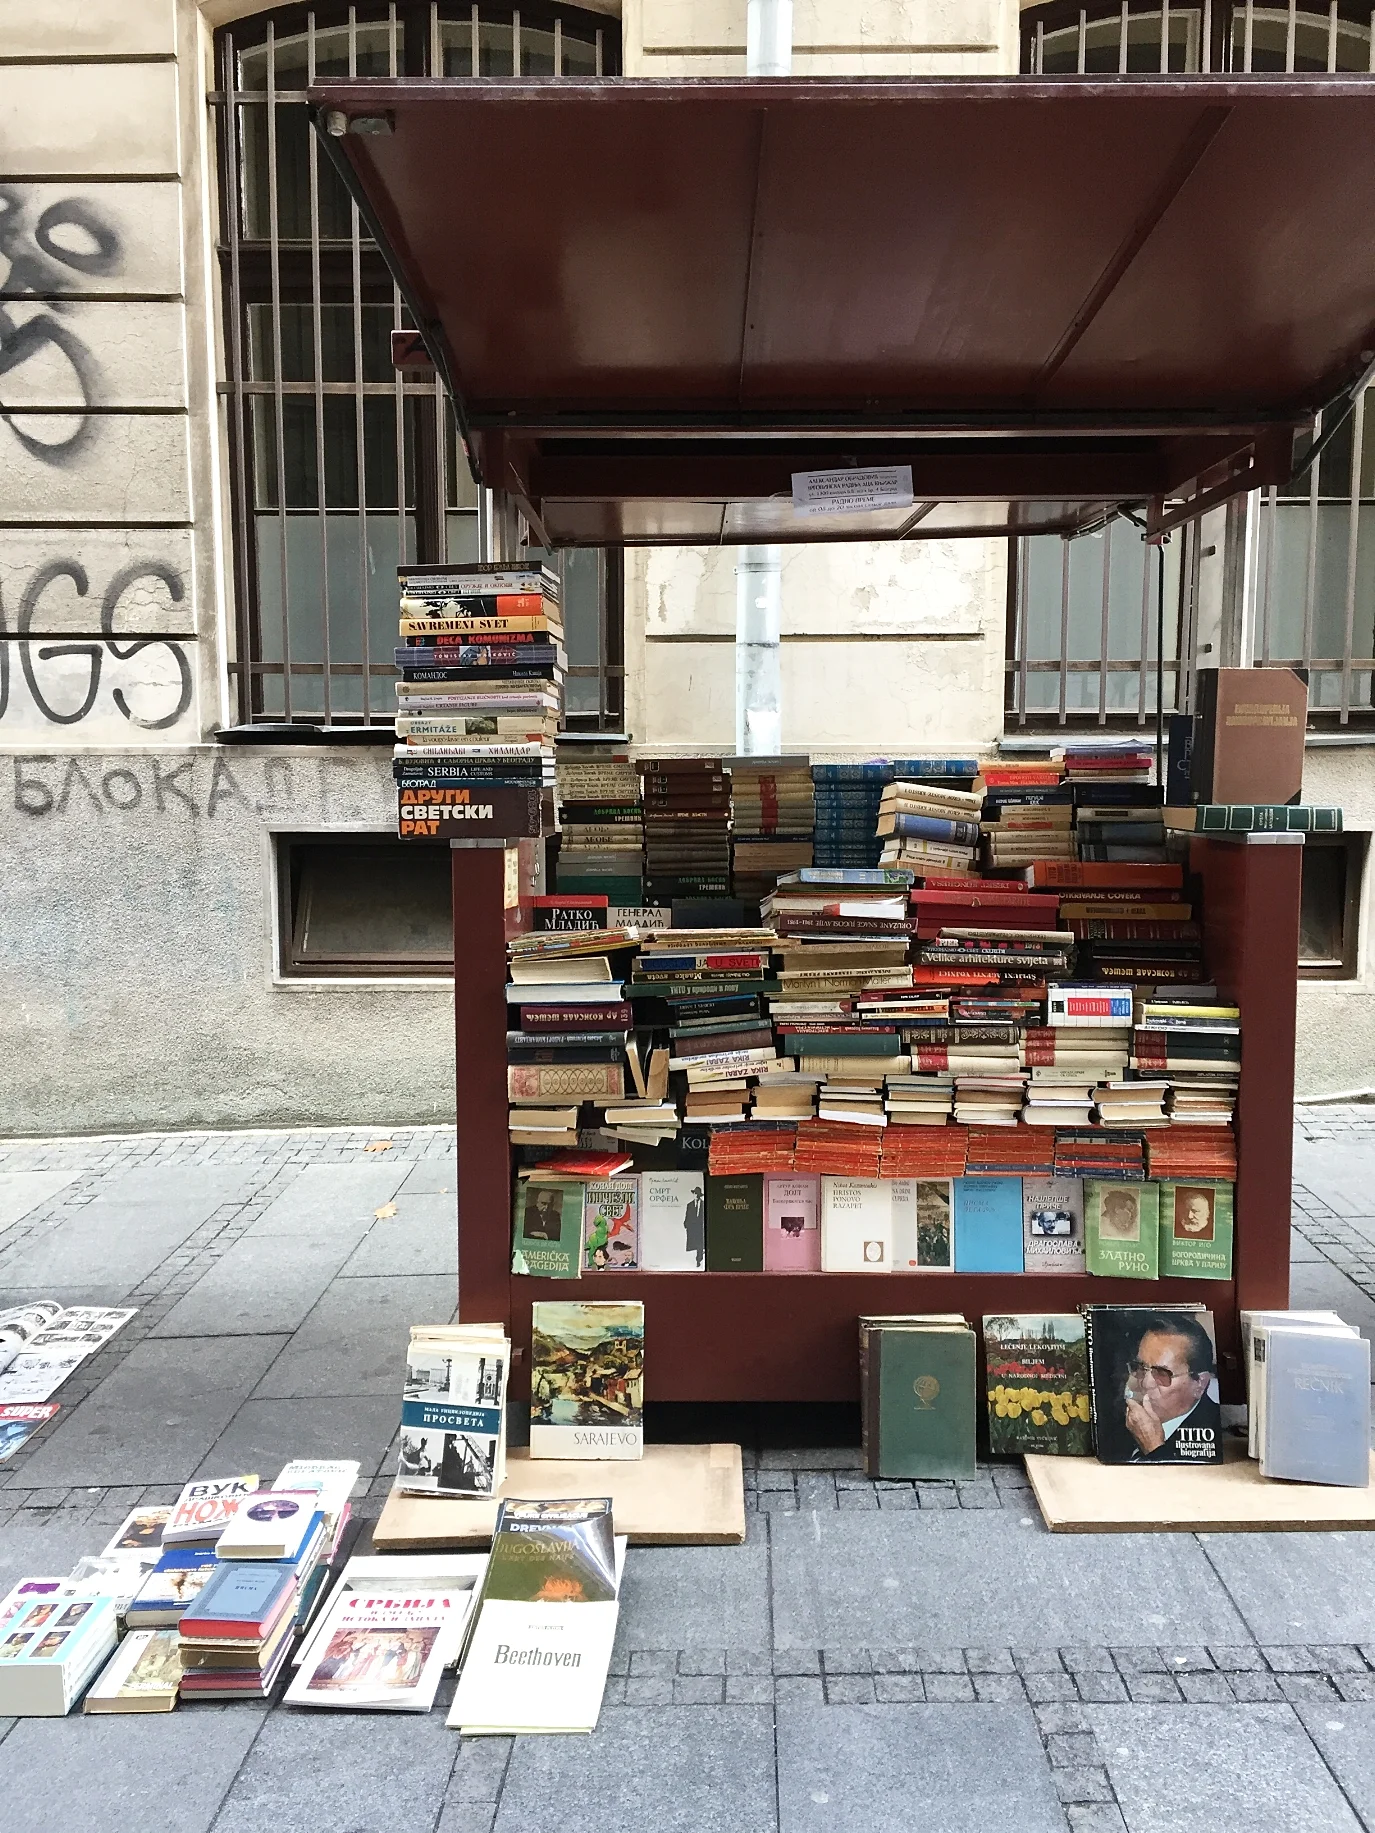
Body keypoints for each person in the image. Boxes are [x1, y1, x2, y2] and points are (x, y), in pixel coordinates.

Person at [1121, 1313, 1221, 1461]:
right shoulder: (1124, 1423)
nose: (1146, 1384)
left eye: (1162, 1373)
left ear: (1199, 1384)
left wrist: (1154, 1448)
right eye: (1140, 1367)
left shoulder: (1211, 1435)